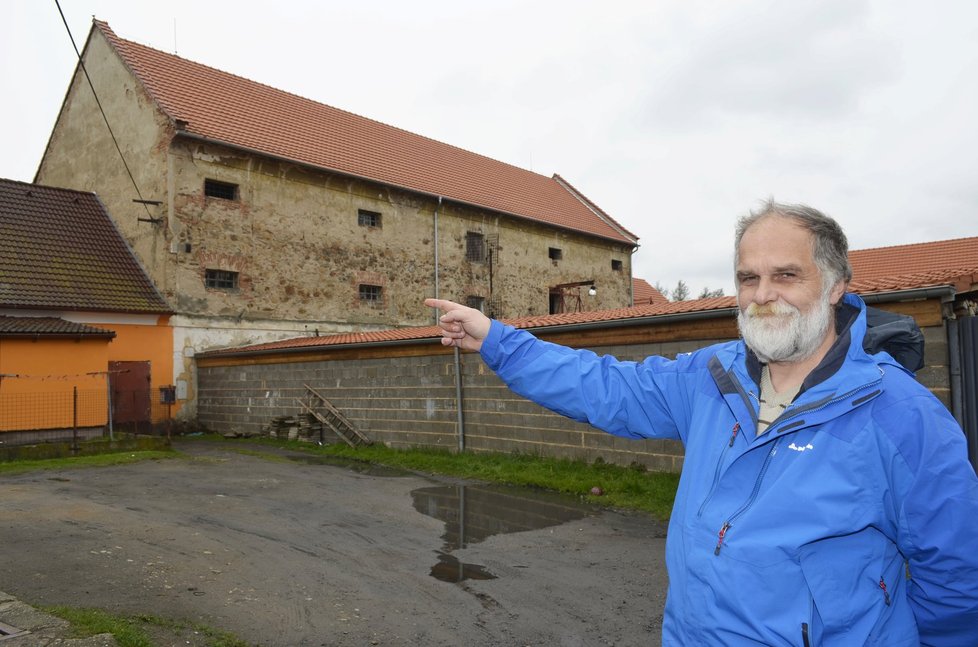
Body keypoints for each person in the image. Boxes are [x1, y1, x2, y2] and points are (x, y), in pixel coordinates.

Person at [425, 200, 978, 647]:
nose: (763, 295)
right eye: (748, 278)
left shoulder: (902, 415)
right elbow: (606, 386)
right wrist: (500, 342)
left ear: (835, 287)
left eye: (786, 275)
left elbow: (957, 576)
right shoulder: (711, 377)